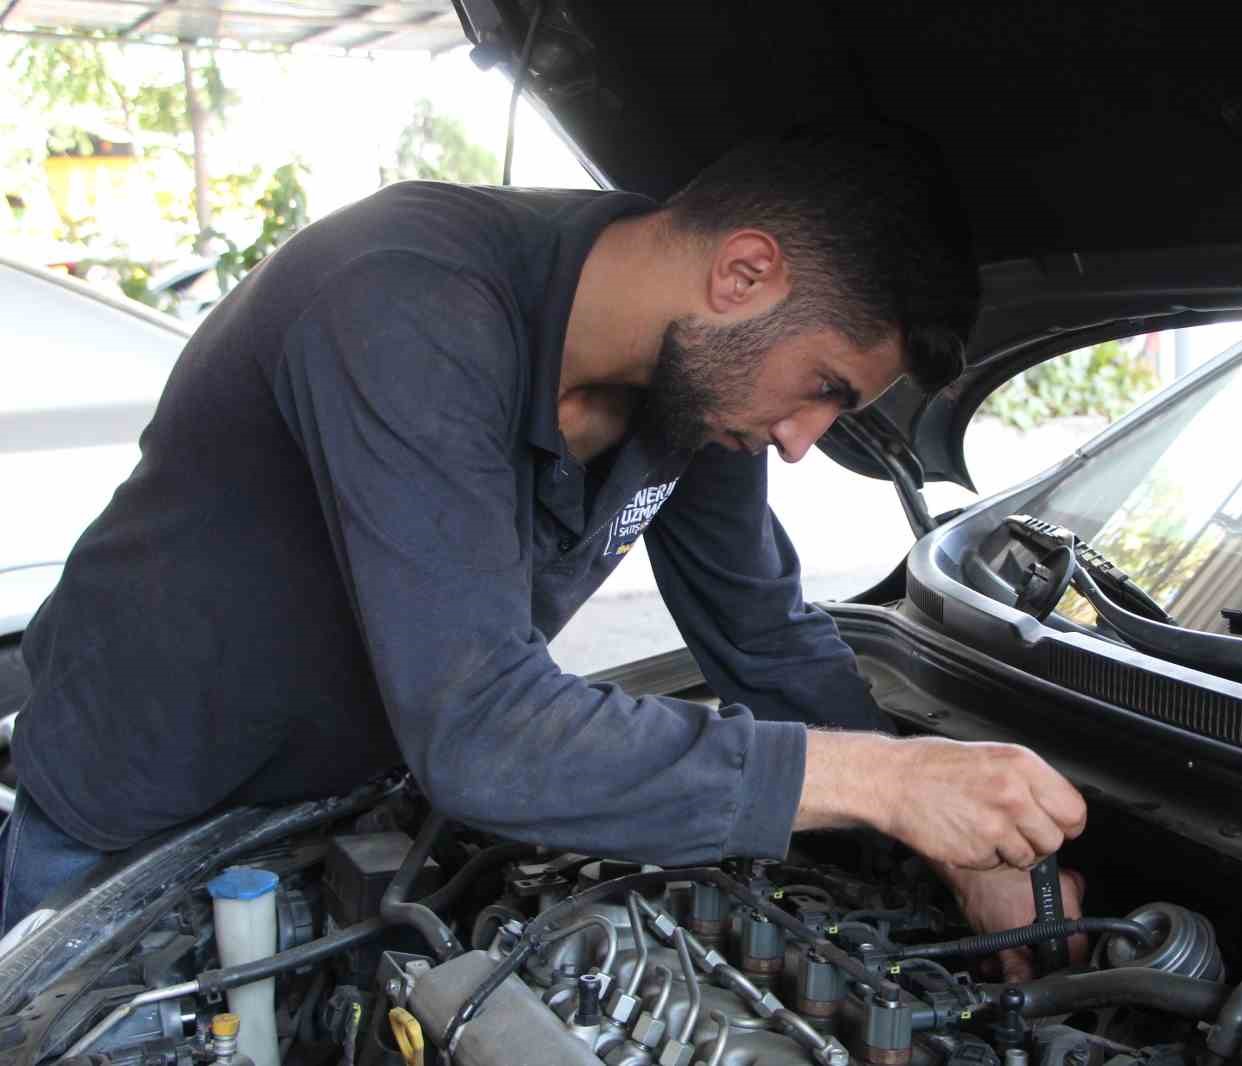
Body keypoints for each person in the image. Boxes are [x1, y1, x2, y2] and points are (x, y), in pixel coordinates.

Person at [5, 126, 1085, 973]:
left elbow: (763, 634)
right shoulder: (400, 295)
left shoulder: (694, 386)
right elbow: (482, 727)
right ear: (744, 274)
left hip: (345, 819)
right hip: (128, 828)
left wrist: (951, 839)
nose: (804, 444)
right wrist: (883, 780)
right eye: (823, 391)